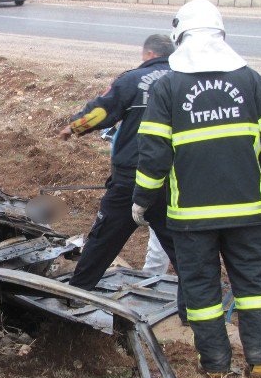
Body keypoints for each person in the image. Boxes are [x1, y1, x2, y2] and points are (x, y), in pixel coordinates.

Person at [132, 0, 261, 378]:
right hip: (248, 212)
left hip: (191, 218)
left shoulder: (168, 88)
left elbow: (154, 154)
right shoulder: (251, 80)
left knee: (201, 292)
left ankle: (216, 367)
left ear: (180, 37)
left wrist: (142, 199)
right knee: (253, 285)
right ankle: (260, 361)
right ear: (221, 34)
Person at [56, 35, 185, 321]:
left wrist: (74, 127)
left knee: (104, 239)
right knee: (180, 244)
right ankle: (193, 310)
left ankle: (76, 295)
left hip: (132, 177)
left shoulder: (134, 80)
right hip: (171, 178)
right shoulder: (185, 79)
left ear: (147, 53)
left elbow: (103, 110)